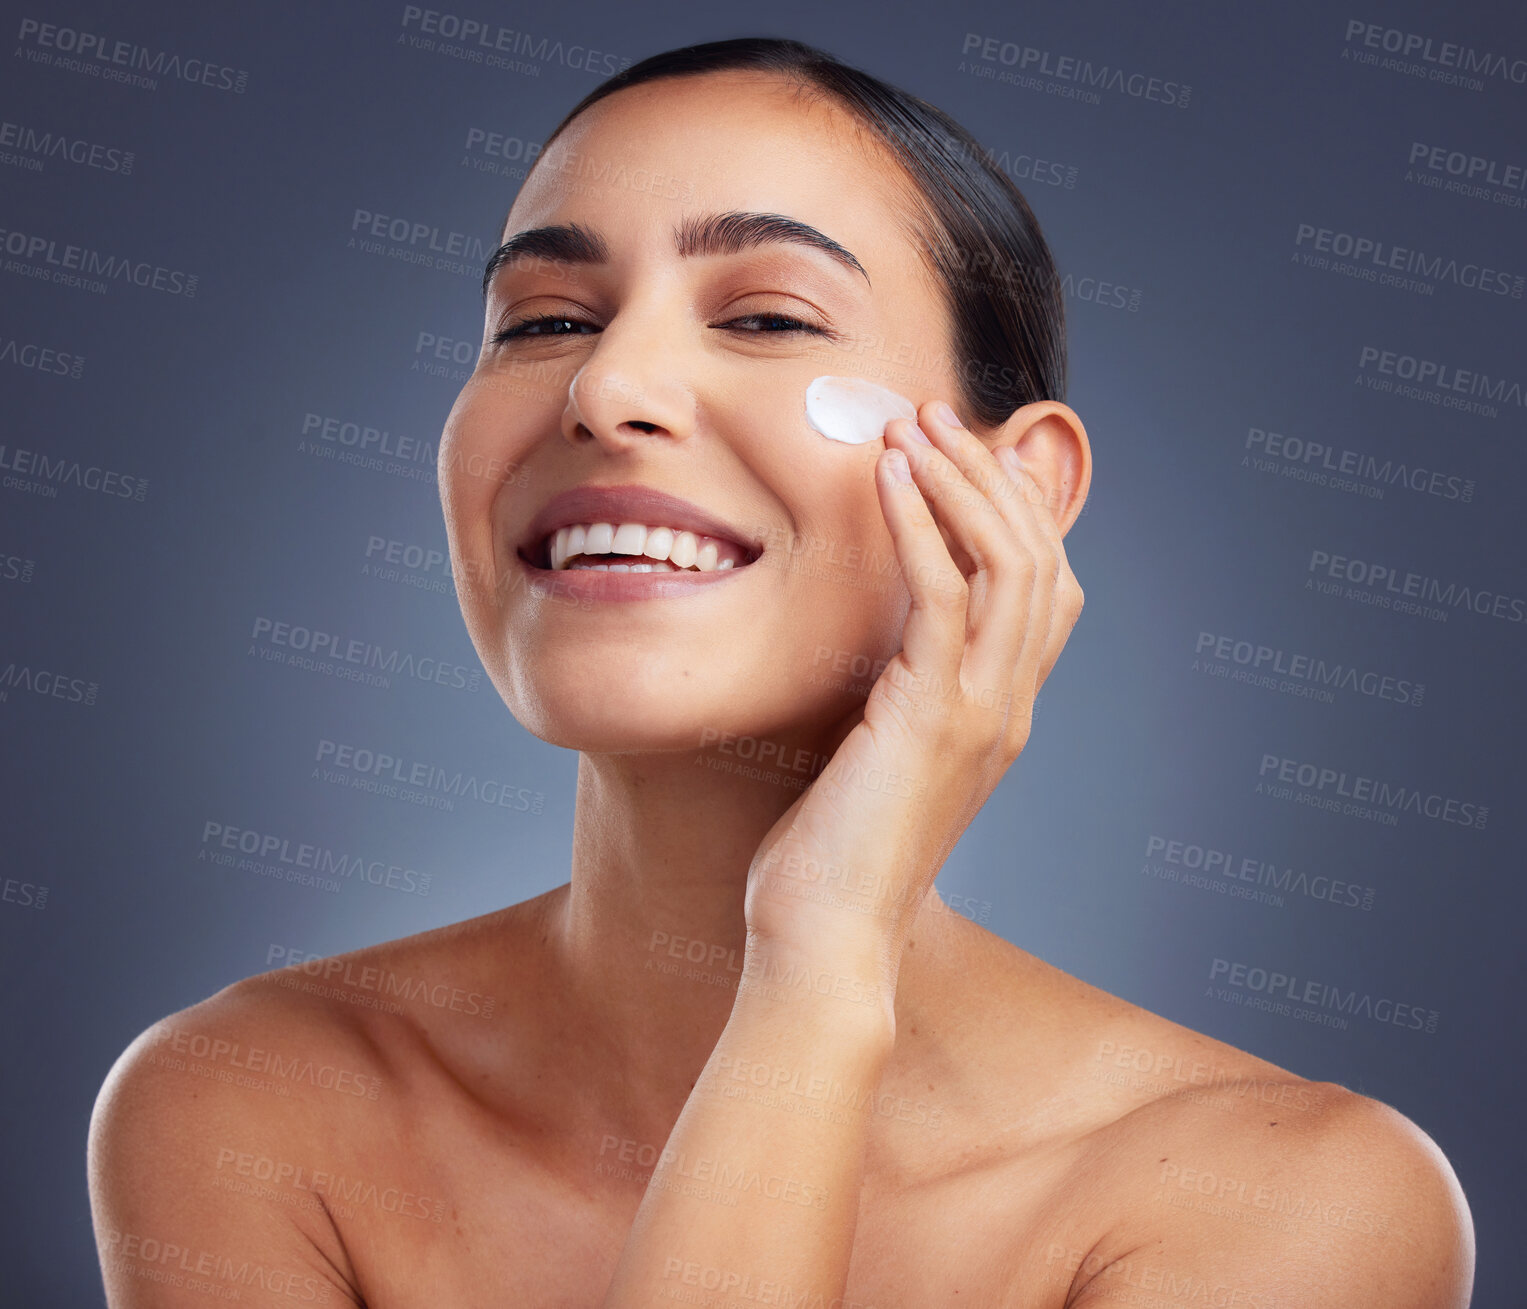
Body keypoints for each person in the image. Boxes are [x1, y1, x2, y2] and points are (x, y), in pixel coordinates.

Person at [88, 37, 1473, 1307]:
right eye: (544, 319)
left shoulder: (1298, 1200)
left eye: (764, 319)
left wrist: (816, 959)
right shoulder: (246, 1105)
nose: (605, 385)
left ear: (1017, 493)